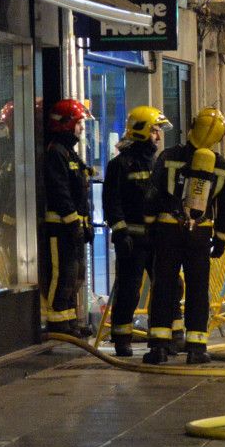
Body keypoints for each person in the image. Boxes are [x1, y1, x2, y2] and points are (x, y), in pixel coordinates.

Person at [143, 107, 225, 365]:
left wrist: (149, 227)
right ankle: (197, 348)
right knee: (198, 289)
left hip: (168, 230)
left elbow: (152, 195)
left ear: (193, 126)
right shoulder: (223, 168)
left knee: (163, 287)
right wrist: (220, 239)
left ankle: (159, 347)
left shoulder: (168, 157)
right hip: (200, 234)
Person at [103, 105, 171, 357]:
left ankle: (166, 338)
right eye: (155, 131)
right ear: (142, 131)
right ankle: (122, 339)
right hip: (132, 240)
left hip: (157, 238)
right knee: (129, 290)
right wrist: (120, 233)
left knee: (167, 287)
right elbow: (112, 202)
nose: (158, 136)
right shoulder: (120, 164)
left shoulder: (158, 163)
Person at [40, 98, 94, 336]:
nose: (81, 128)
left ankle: (70, 320)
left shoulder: (70, 154)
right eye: (78, 123)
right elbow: (59, 191)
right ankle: (55, 320)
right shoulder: (56, 153)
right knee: (60, 274)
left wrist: (86, 223)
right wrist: (73, 222)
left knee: (75, 275)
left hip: (73, 226)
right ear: (66, 124)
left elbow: (80, 192)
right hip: (60, 227)